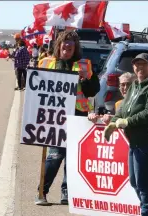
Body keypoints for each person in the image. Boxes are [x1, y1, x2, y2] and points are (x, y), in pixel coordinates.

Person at [35, 30, 100, 206]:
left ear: (76, 48)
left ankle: (67, 192)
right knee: (54, 156)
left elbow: (93, 90)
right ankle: (42, 191)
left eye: (72, 43)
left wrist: (85, 79)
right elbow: (36, 89)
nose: (68, 45)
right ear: (59, 44)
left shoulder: (84, 64)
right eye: (65, 41)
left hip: (78, 115)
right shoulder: (47, 62)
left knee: (72, 157)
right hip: (55, 116)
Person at [104, 53, 148, 216]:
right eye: (137, 65)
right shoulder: (134, 86)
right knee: (134, 181)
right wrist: (114, 121)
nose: (140, 67)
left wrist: (127, 122)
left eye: (144, 64)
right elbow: (123, 109)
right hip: (135, 142)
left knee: (143, 182)